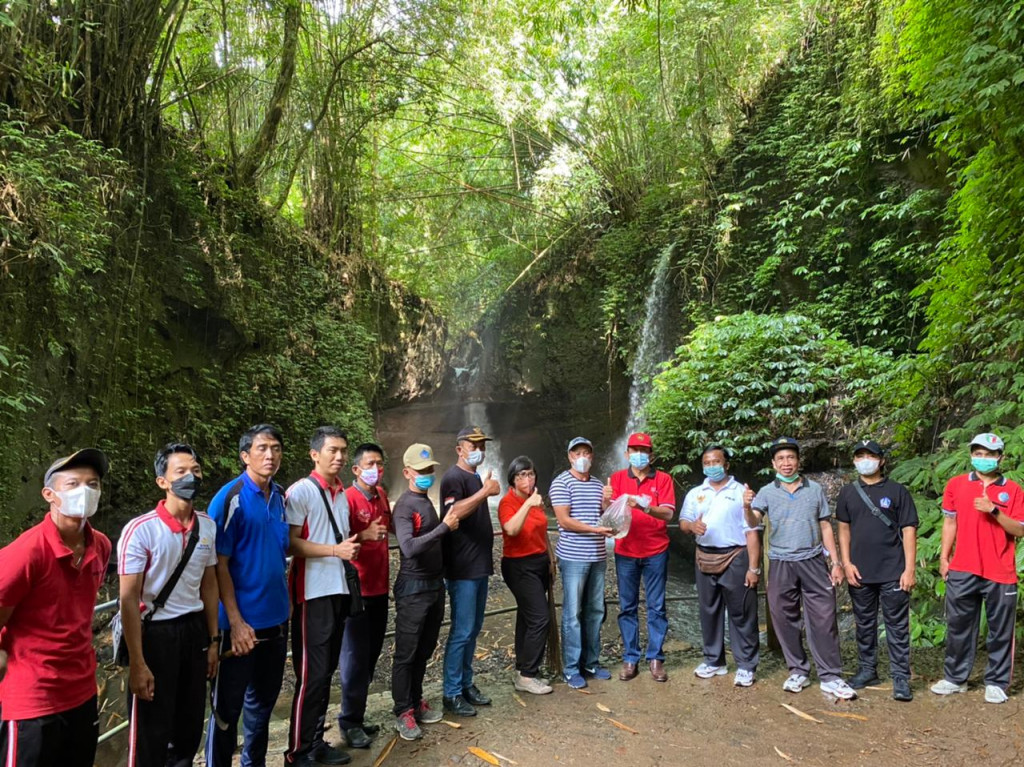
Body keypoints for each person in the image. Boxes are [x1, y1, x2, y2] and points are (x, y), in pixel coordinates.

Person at [0, 449, 112, 767]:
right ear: (49, 494)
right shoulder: (26, 553)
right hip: (32, 699)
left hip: (81, 691)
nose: (85, 491)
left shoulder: (100, 545)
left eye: (93, 484)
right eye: (73, 484)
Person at [118, 443, 220, 767]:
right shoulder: (141, 530)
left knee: (189, 725)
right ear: (162, 481)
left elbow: (209, 584)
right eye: (181, 471)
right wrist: (137, 662)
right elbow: (128, 600)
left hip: (194, 630)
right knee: (150, 730)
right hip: (155, 634)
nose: (191, 477)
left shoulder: (207, 525)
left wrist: (213, 640)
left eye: (196, 470)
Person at [743, 437, 856, 700]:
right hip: (781, 562)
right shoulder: (766, 492)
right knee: (783, 618)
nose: (786, 463)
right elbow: (753, 522)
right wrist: (746, 506)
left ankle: (830, 676)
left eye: (790, 457)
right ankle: (798, 670)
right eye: (781, 458)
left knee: (824, 618)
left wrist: (836, 562)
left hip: (813, 561)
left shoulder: (814, 489)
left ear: (798, 461)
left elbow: (825, 525)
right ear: (774, 464)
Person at [206, 424, 290, 767]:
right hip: (238, 627)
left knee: (262, 705)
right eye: (262, 448)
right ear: (245, 456)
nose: (270, 455)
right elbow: (218, 565)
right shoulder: (231, 499)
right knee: (226, 710)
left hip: (276, 620)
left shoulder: (280, 496)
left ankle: (254, 763)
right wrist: (236, 622)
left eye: (276, 448)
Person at [284, 427, 362, 766]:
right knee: (311, 676)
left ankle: (315, 742)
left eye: (343, 450)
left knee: (326, 671)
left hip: (338, 590)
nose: (340, 456)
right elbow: (290, 543)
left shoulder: (341, 493)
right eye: (333, 450)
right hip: (312, 593)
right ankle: (297, 752)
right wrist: (335, 550)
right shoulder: (301, 491)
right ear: (315, 454)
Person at [931, 432, 1024, 704]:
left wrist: (994, 510)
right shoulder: (956, 485)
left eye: (989, 454)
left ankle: (996, 682)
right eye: (978, 453)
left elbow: (1019, 530)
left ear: (1000, 457)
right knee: (958, 626)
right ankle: (955, 678)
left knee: (1000, 630)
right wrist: (944, 557)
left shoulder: (1014, 490)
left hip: (1001, 571)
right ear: (972, 455)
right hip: (963, 567)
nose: (983, 459)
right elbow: (950, 523)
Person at [836, 439, 918, 702]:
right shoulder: (848, 493)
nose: (865, 460)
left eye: (870, 456)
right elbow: (843, 529)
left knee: (897, 626)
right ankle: (867, 670)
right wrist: (846, 563)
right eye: (860, 456)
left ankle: (901, 677)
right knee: (864, 624)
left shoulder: (897, 491)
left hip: (893, 570)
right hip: (859, 571)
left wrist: (909, 569)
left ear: (882, 461)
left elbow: (909, 530)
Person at [391, 444, 460, 741]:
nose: (427, 474)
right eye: (421, 471)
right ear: (407, 473)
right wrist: (444, 527)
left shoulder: (424, 501)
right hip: (413, 587)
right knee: (406, 652)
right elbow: (408, 547)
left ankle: (416, 701)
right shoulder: (405, 505)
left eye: (430, 469)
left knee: (424, 648)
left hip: (434, 584)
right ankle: (402, 711)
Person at [680, 445, 761, 688]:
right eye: (707, 462)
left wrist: (753, 568)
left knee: (741, 612)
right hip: (704, 556)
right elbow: (683, 522)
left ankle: (746, 665)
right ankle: (714, 660)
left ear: (726, 464)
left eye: (716, 461)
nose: (711, 466)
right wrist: (692, 527)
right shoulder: (695, 493)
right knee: (709, 611)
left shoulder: (741, 492)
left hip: (735, 556)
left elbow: (752, 530)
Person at [439, 426, 501, 717]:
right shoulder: (453, 477)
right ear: (459, 449)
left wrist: (481, 488)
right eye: (473, 445)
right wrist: (485, 492)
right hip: (462, 568)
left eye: (482, 445)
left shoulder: (475, 477)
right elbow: (453, 514)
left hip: (479, 566)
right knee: (462, 631)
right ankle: (451, 693)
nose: (479, 450)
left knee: (473, 629)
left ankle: (465, 684)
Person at [606, 433, 675, 682]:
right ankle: (630, 658)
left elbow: (668, 514)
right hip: (626, 551)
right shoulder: (616, 478)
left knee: (657, 606)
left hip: (656, 550)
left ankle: (656, 658)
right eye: (634, 450)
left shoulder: (663, 479)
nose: (639, 455)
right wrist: (605, 499)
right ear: (626, 454)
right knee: (627, 607)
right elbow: (609, 516)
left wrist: (644, 507)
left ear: (651, 455)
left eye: (644, 450)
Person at [338, 443, 391, 749]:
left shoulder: (381, 494)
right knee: (354, 658)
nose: (376, 469)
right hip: (357, 590)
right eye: (370, 464)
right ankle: (348, 722)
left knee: (371, 655)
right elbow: (337, 541)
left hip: (380, 587)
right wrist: (363, 535)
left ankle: (357, 716)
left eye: (379, 464)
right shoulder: (347, 498)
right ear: (356, 469)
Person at [551, 436, 614, 689]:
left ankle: (591, 663)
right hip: (573, 557)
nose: (582, 457)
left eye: (586, 453)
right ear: (569, 456)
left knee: (595, 611)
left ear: (592, 456)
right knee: (573, 613)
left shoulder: (598, 484)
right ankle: (570, 668)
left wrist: (607, 502)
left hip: (598, 556)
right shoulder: (561, 483)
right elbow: (564, 521)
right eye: (577, 453)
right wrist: (596, 530)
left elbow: (605, 517)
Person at [498, 456, 554, 695]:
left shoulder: (536, 499)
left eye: (530, 474)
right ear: (512, 479)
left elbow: (542, 530)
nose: (527, 479)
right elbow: (511, 529)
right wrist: (528, 504)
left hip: (539, 562)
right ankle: (528, 676)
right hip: (519, 566)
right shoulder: (507, 502)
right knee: (540, 618)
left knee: (527, 617)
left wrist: (550, 558)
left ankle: (522, 668)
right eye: (521, 475)